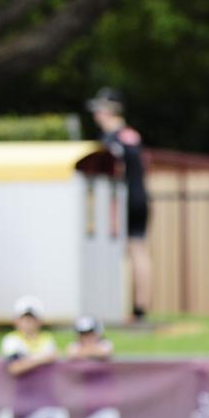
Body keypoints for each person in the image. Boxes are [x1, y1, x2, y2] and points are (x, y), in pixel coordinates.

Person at [88, 87, 151, 321]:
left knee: (121, 251)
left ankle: (121, 307)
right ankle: (140, 307)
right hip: (140, 197)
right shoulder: (131, 135)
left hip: (123, 200)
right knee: (139, 250)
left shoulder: (112, 139)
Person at [2, 295, 57, 377]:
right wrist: (42, 359)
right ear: (16, 321)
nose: (28, 322)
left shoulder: (47, 339)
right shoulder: (12, 339)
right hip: (23, 388)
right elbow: (14, 368)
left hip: (45, 387)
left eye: (31, 318)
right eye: (24, 318)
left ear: (39, 321)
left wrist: (28, 361)